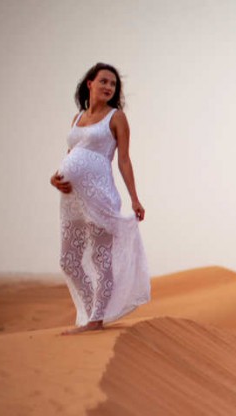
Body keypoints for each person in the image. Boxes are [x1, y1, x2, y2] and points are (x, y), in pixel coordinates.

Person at [50, 62, 150, 334]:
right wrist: (55, 176)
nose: (108, 87)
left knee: (100, 258)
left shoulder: (116, 117)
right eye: (104, 81)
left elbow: (124, 161)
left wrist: (135, 198)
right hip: (71, 199)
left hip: (100, 195)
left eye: (113, 84)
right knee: (68, 261)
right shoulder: (77, 117)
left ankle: (96, 319)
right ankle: (89, 312)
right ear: (89, 84)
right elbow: (72, 154)